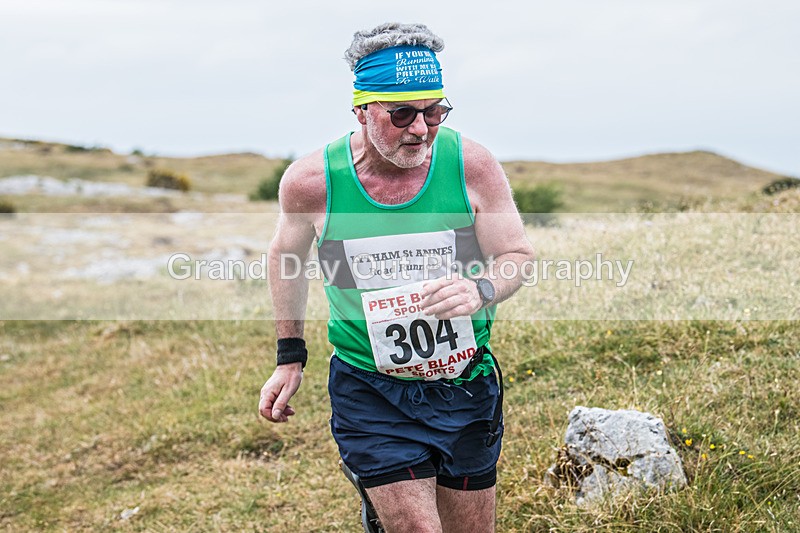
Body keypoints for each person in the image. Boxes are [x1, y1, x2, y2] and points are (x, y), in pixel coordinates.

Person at [258, 22, 534, 532]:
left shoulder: (471, 164)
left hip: (464, 384)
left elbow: (516, 254)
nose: (420, 129)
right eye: (402, 113)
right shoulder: (312, 182)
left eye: (434, 112)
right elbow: (285, 258)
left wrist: (481, 289)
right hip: (370, 386)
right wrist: (289, 357)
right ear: (362, 110)